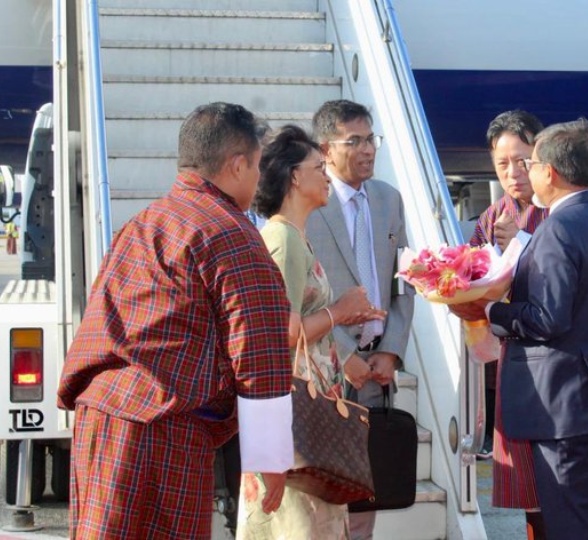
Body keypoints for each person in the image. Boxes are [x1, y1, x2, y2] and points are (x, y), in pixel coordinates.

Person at [57, 103, 293, 538]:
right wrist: (270, 457)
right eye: (258, 166)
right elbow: (258, 348)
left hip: (99, 414)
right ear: (237, 165)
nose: (259, 178)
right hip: (160, 425)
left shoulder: (142, 222)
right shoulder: (230, 233)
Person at [459, 119, 588, 538]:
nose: (524, 171)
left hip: (567, 411)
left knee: (568, 528)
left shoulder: (557, 229)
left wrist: (490, 310)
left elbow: (548, 318)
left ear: (551, 173)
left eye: (531, 162)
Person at [239, 125, 385, 538]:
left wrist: (344, 315)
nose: (326, 175)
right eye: (319, 167)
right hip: (291, 417)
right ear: (293, 177)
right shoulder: (282, 237)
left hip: (302, 412)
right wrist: (339, 312)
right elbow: (281, 333)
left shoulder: (293, 235)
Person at [303, 99, 415, 538]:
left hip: (376, 371)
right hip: (325, 368)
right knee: (325, 489)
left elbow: (404, 281)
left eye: (372, 139)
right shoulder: (309, 200)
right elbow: (299, 297)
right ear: (326, 149)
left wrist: (391, 350)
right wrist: (345, 352)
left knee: (366, 490)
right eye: (355, 141)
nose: (368, 149)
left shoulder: (389, 199)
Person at [470, 110, 547, 462]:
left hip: (550, 352)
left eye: (522, 161)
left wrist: (523, 241)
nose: (513, 174)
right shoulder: (492, 215)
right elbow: (471, 271)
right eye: (502, 165)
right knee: (522, 475)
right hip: (503, 350)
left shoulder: (560, 208)